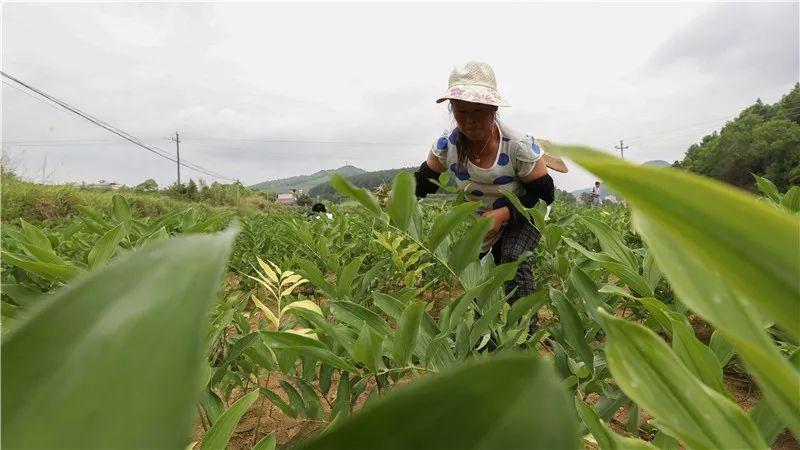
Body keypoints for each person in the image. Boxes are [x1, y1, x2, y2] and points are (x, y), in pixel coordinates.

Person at [414, 61, 567, 329]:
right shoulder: (446, 146)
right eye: (461, 112)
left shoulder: (517, 144)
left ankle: (524, 335)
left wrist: (504, 213)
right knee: (479, 274)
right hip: (484, 219)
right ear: (452, 110)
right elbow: (424, 181)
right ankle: (489, 333)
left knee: (511, 258)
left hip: (526, 211)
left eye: (478, 111)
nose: (470, 120)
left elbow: (544, 194)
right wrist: (394, 199)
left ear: (493, 109)